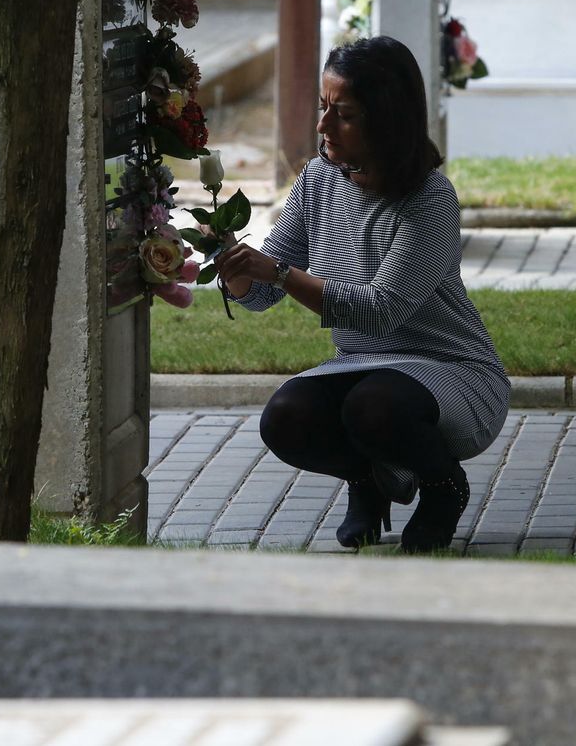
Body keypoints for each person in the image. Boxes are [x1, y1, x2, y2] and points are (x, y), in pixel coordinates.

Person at [212, 36, 509, 553]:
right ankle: (370, 480)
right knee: (285, 418)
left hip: (454, 371)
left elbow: (382, 310)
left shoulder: (431, 198)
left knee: (373, 407)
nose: (323, 125)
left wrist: (278, 273)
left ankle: (444, 488)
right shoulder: (318, 180)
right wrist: (232, 263)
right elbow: (260, 294)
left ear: (386, 119)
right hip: (364, 371)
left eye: (343, 114)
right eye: (324, 108)